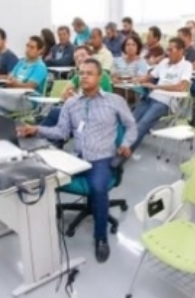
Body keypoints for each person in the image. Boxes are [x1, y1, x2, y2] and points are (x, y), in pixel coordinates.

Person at [17, 58, 137, 263]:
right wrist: (35, 129)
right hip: (77, 158)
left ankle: (101, 238)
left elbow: (131, 126)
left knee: (98, 188)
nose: (84, 77)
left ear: (100, 77)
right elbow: (61, 131)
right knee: (44, 176)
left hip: (102, 158)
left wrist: (125, 144)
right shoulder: (71, 104)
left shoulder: (114, 101)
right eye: (81, 73)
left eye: (89, 73)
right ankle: (40, 234)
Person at [131, 37, 193, 151]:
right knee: (130, 121)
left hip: (165, 102)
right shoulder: (164, 62)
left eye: (171, 50)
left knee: (142, 124)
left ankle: (123, 153)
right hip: (151, 97)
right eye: (167, 50)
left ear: (181, 51)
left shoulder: (186, 66)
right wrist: (137, 80)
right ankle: (117, 146)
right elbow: (150, 76)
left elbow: (181, 87)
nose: (167, 53)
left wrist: (156, 86)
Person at [0, 36, 48, 115]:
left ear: (40, 51)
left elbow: (30, 87)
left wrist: (15, 84)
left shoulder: (40, 67)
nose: (28, 49)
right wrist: (10, 81)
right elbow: (10, 76)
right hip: (13, 94)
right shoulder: (22, 62)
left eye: (32, 47)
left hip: (27, 100)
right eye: (27, 46)